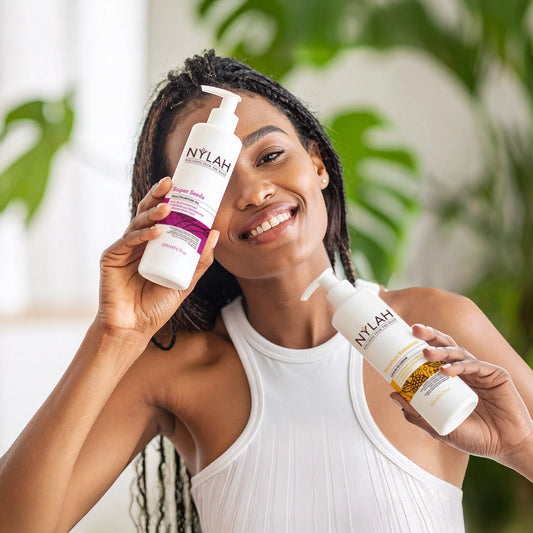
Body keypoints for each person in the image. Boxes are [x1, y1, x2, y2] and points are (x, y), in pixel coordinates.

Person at [0, 50, 532, 533]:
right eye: (215, 180)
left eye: (270, 155)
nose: (253, 191)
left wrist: (517, 445)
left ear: (317, 164)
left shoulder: (435, 331)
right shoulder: (176, 374)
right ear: (180, 216)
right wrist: (113, 334)